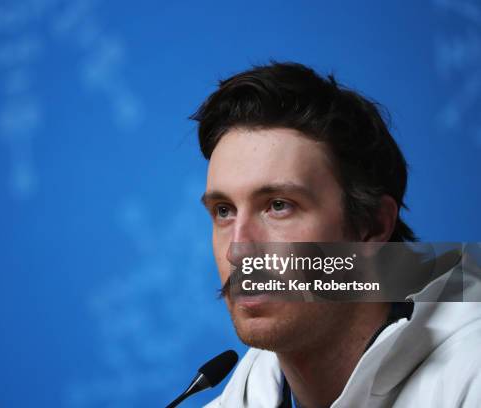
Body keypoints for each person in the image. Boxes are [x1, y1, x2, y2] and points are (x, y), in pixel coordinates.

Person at [191, 62, 481, 407]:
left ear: (372, 226)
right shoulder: (240, 395)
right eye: (224, 211)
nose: (238, 251)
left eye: (279, 205)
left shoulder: (469, 376)